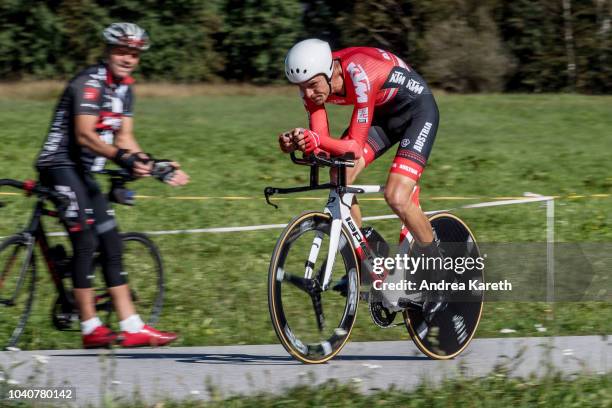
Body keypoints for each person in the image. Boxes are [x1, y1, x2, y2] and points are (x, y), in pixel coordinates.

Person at [35, 22, 190, 348]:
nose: (128, 58)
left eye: (134, 53)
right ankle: (90, 327)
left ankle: (132, 325)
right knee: (86, 238)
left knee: (112, 242)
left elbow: (125, 139)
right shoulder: (89, 83)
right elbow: (85, 135)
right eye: (122, 51)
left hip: (84, 172)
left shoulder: (125, 89)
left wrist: (153, 165)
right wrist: (124, 158)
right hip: (60, 164)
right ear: (107, 51)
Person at [279, 39, 445, 318]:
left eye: (311, 85)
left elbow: (354, 147)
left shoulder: (359, 74)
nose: (307, 93)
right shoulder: (313, 85)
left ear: (328, 71)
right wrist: (300, 144)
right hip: (382, 114)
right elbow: (322, 145)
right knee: (337, 173)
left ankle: (441, 275)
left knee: (396, 196)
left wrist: (315, 139)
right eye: (300, 87)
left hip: (417, 110)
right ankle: (365, 254)